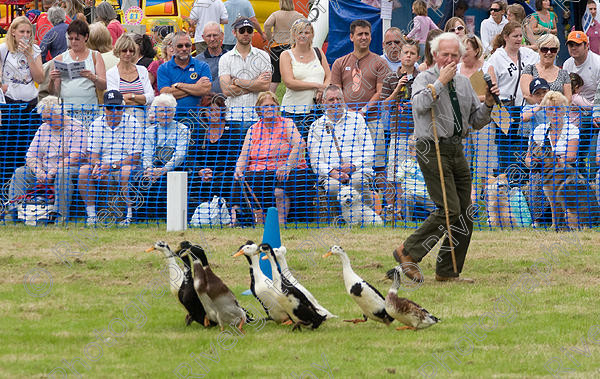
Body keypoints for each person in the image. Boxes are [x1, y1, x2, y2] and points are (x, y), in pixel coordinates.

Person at [392, 32, 499, 284]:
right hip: (431, 147)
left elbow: (475, 120)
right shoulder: (424, 79)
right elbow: (418, 106)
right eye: (445, 54)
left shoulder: (463, 83)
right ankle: (408, 251)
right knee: (450, 209)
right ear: (435, 55)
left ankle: (448, 271)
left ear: (461, 56)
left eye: (454, 55)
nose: (449, 59)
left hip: (456, 148)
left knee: (465, 213)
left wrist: (490, 104)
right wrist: (440, 82)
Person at [234, 91, 315, 224]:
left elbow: (300, 143)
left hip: (287, 169)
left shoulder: (287, 124)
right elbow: (244, 155)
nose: (269, 109)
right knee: (239, 178)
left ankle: (280, 222)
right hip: (260, 170)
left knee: (281, 187)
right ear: (259, 110)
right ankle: (237, 219)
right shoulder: (253, 129)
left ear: (277, 107)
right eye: (265, 106)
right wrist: (238, 168)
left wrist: (287, 165)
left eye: (272, 105)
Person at [5, 96, 87, 223]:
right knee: (20, 172)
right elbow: (31, 155)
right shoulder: (43, 128)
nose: (45, 121)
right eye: (43, 118)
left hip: (67, 168)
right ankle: (15, 212)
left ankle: (60, 215)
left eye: (49, 118)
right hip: (44, 169)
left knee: (62, 174)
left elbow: (76, 156)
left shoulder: (76, 128)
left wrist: (54, 170)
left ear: (59, 114)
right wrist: (38, 171)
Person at [330, 20, 389, 189]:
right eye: (359, 34)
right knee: (349, 164)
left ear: (371, 36)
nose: (364, 37)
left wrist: (363, 111)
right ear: (351, 37)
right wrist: (348, 112)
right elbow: (335, 92)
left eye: (367, 34)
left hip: (372, 121)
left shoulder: (379, 62)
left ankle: (381, 203)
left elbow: (380, 92)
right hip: (345, 123)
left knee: (377, 164)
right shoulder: (340, 63)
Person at [78, 90, 143, 226]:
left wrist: (111, 166)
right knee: (84, 170)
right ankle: (92, 216)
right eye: (110, 108)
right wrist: (100, 165)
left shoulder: (133, 123)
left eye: (118, 107)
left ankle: (129, 215)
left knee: (125, 171)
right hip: (103, 166)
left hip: (126, 165)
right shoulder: (96, 124)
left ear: (123, 107)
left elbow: (135, 157)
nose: (115, 111)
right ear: (104, 108)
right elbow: (92, 156)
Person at [484, 21, 539, 178]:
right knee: (505, 148)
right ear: (505, 37)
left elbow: (542, 57)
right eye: (515, 36)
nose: (519, 39)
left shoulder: (528, 54)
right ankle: (506, 183)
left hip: (524, 109)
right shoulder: (496, 58)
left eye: (521, 36)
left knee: (523, 145)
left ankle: (521, 184)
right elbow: (490, 83)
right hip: (503, 108)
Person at [308, 84, 374, 207]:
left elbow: (369, 152)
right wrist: (332, 172)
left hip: (358, 170)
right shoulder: (315, 127)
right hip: (331, 175)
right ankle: (337, 220)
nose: (336, 102)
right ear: (323, 102)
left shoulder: (357, 120)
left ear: (343, 100)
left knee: (357, 182)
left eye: (339, 99)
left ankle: (368, 216)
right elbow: (315, 161)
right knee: (333, 187)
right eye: (331, 99)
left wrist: (353, 166)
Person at [525, 91, 579, 228]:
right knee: (536, 178)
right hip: (544, 173)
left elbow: (572, 156)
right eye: (550, 109)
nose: (554, 113)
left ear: (564, 110)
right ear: (546, 111)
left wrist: (551, 160)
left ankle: (565, 220)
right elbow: (528, 158)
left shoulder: (572, 129)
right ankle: (539, 219)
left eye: (558, 108)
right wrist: (532, 163)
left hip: (565, 171)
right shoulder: (540, 130)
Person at [189, 93, 244, 224]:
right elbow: (191, 156)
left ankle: (230, 215)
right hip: (202, 174)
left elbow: (234, 156)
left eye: (216, 110)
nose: (213, 113)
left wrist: (213, 171)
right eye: (209, 110)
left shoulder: (233, 130)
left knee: (228, 180)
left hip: (226, 173)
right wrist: (200, 170)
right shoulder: (198, 131)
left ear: (222, 111)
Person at [380, 39, 420, 217]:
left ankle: (407, 208)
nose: (408, 56)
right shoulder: (390, 78)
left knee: (413, 172)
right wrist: (397, 89)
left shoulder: (422, 78)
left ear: (417, 57)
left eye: (412, 53)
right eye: (406, 53)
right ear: (400, 56)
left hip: (417, 134)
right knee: (394, 172)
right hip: (398, 132)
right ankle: (392, 207)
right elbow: (385, 105)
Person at [138, 93, 190, 219]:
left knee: (165, 181)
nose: (165, 114)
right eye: (161, 111)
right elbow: (146, 153)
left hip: (175, 167)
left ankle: (167, 216)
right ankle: (144, 216)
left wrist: (164, 170)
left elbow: (180, 155)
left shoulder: (183, 129)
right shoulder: (149, 131)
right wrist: (149, 169)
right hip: (154, 167)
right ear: (155, 112)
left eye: (168, 111)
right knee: (139, 179)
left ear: (174, 112)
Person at [280, 18, 330, 139]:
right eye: (299, 32)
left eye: (307, 32)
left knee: (316, 148)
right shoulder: (286, 55)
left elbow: (329, 76)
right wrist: (317, 86)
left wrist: (323, 90)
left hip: (317, 111)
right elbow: (289, 82)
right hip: (294, 112)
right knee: (296, 148)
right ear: (294, 35)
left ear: (312, 34)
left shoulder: (318, 52)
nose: (303, 35)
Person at [219, 17, 272, 129]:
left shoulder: (264, 56)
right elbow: (227, 90)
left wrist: (237, 81)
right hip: (233, 117)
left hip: (257, 117)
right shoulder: (225, 58)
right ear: (234, 33)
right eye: (242, 31)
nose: (246, 33)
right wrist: (255, 84)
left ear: (253, 33)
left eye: (249, 30)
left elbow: (265, 85)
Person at [50, 20, 107, 120]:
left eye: (77, 39)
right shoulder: (60, 58)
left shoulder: (95, 56)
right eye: (70, 39)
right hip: (67, 110)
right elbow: (54, 92)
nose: (73, 42)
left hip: (89, 109)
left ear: (86, 37)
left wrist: (93, 77)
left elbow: (104, 85)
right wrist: (53, 79)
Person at [563, 31, 600, 178]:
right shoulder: (567, 64)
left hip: (595, 111)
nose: (573, 48)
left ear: (587, 46)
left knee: (592, 155)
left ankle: (590, 180)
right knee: (573, 154)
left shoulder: (597, 63)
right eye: (571, 45)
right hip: (574, 115)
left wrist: (596, 113)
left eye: (577, 45)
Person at [157, 32, 212, 115]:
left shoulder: (203, 66)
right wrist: (196, 87)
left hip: (198, 119)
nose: (184, 48)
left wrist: (179, 85)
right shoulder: (163, 68)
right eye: (180, 46)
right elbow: (165, 94)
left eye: (187, 45)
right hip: (172, 118)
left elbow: (205, 90)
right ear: (172, 47)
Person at [0, 16, 44, 112]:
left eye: (28, 32)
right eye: (22, 32)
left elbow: (40, 79)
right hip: (10, 102)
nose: (25, 35)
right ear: (13, 32)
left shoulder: (35, 49)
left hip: (31, 101)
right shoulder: (3, 49)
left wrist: (28, 55)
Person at [106, 34, 155, 118]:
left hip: (142, 116)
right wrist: (141, 100)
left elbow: (150, 97)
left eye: (131, 51)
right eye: (124, 51)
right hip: (121, 117)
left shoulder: (142, 70)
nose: (128, 54)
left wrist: (131, 96)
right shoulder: (111, 73)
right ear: (118, 51)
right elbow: (115, 100)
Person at [263, 0, 304, 92]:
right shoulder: (298, 15)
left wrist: (270, 39)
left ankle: (269, 98)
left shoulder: (276, 15)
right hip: (292, 47)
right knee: (294, 75)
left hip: (276, 47)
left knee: (275, 77)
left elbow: (267, 25)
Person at [520, 34, 571, 105]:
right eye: (545, 49)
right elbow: (527, 95)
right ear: (538, 50)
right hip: (534, 113)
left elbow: (568, 100)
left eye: (553, 50)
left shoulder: (563, 73)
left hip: (556, 114)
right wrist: (544, 109)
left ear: (557, 51)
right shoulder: (529, 69)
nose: (549, 52)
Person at [196, 22, 229, 94]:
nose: (212, 39)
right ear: (203, 37)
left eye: (215, 35)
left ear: (222, 36)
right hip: (207, 103)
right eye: (208, 36)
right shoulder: (197, 61)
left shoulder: (231, 57)